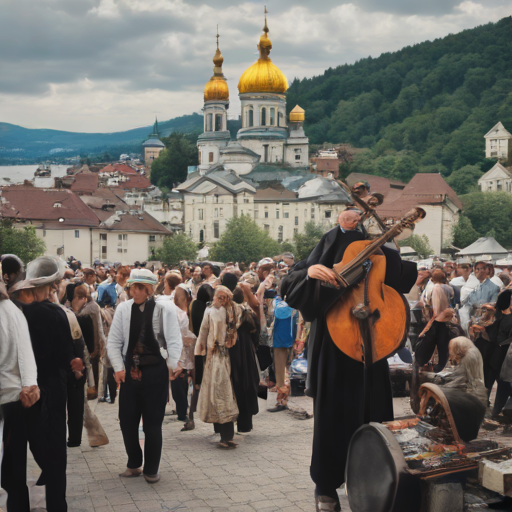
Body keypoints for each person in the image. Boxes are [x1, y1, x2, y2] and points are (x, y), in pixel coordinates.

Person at [281, 209, 417, 511]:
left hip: (371, 345)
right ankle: (326, 486)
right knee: (331, 420)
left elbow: (402, 277)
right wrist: (311, 273)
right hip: (332, 347)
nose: (351, 221)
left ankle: (376, 482)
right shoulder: (325, 250)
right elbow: (290, 285)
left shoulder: (379, 251)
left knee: (374, 416)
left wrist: (386, 240)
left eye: (357, 220)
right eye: (345, 220)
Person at [4, 256, 84, 511]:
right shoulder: (54, 313)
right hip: (49, 391)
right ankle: (56, 505)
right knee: (54, 456)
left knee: (15, 456)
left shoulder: (13, 309)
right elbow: (64, 355)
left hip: (16, 393)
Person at [107, 268, 182, 484]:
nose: (135, 291)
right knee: (127, 420)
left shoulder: (164, 308)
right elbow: (114, 341)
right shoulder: (123, 309)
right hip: (130, 371)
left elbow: (174, 339)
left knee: (152, 423)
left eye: (140, 288)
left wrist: (172, 364)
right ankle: (133, 463)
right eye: (132, 287)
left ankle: (151, 468)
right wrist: (118, 367)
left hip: (155, 371)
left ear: (149, 289)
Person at [0, 279, 40, 508]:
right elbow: (27, 357)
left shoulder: (11, 312)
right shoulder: (14, 311)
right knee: (14, 470)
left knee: (12, 471)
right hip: (16, 398)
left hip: (10, 398)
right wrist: (29, 385)